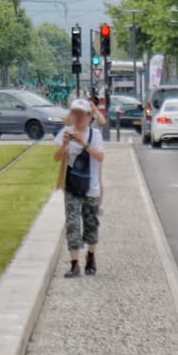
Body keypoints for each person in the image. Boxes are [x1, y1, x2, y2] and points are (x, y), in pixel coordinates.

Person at [56, 96, 105, 277]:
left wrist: (84, 143)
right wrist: (65, 144)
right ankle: (74, 263)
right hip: (72, 185)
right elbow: (56, 158)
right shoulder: (66, 132)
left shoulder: (95, 134)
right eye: (74, 113)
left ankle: (91, 256)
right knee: (72, 223)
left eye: (81, 114)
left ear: (88, 115)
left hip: (91, 186)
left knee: (91, 223)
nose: (77, 117)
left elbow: (100, 156)